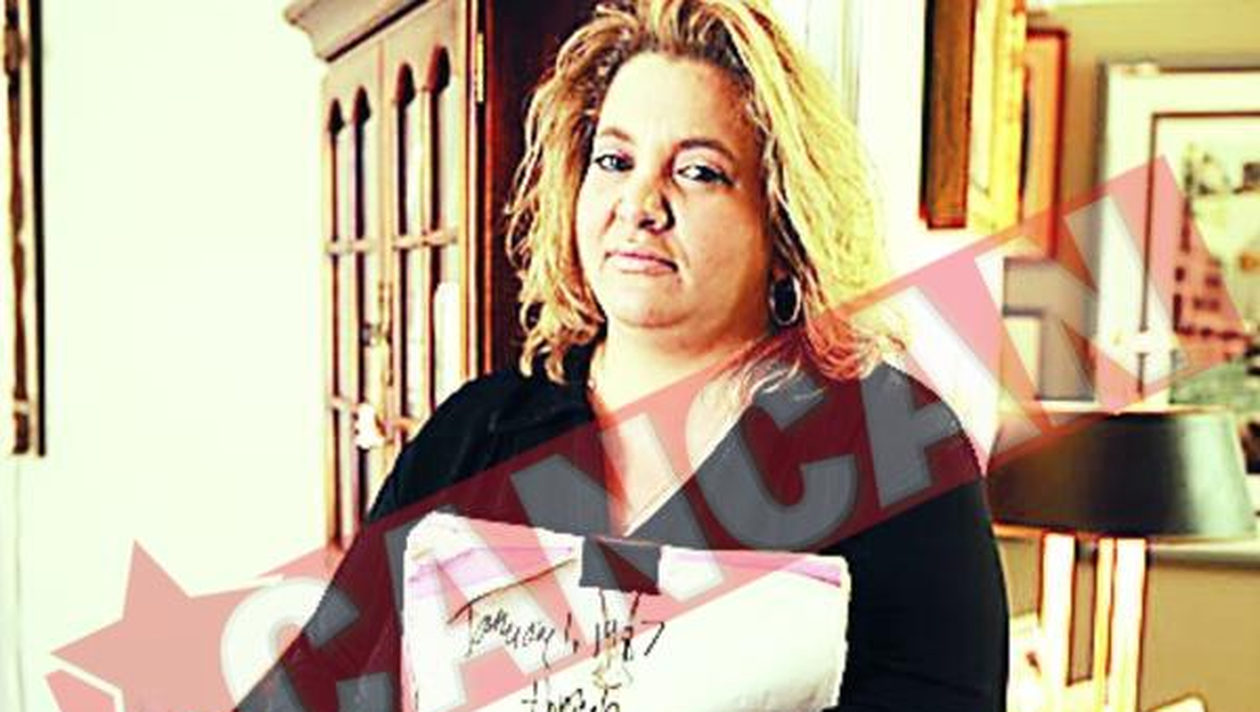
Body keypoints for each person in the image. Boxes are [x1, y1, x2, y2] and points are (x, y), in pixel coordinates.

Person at [238, 1, 1008, 710]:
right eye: (614, 161)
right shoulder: (476, 432)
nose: (640, 204)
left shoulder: (890, 442)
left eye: (699, 171)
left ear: (781, 221)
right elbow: (314, 690)